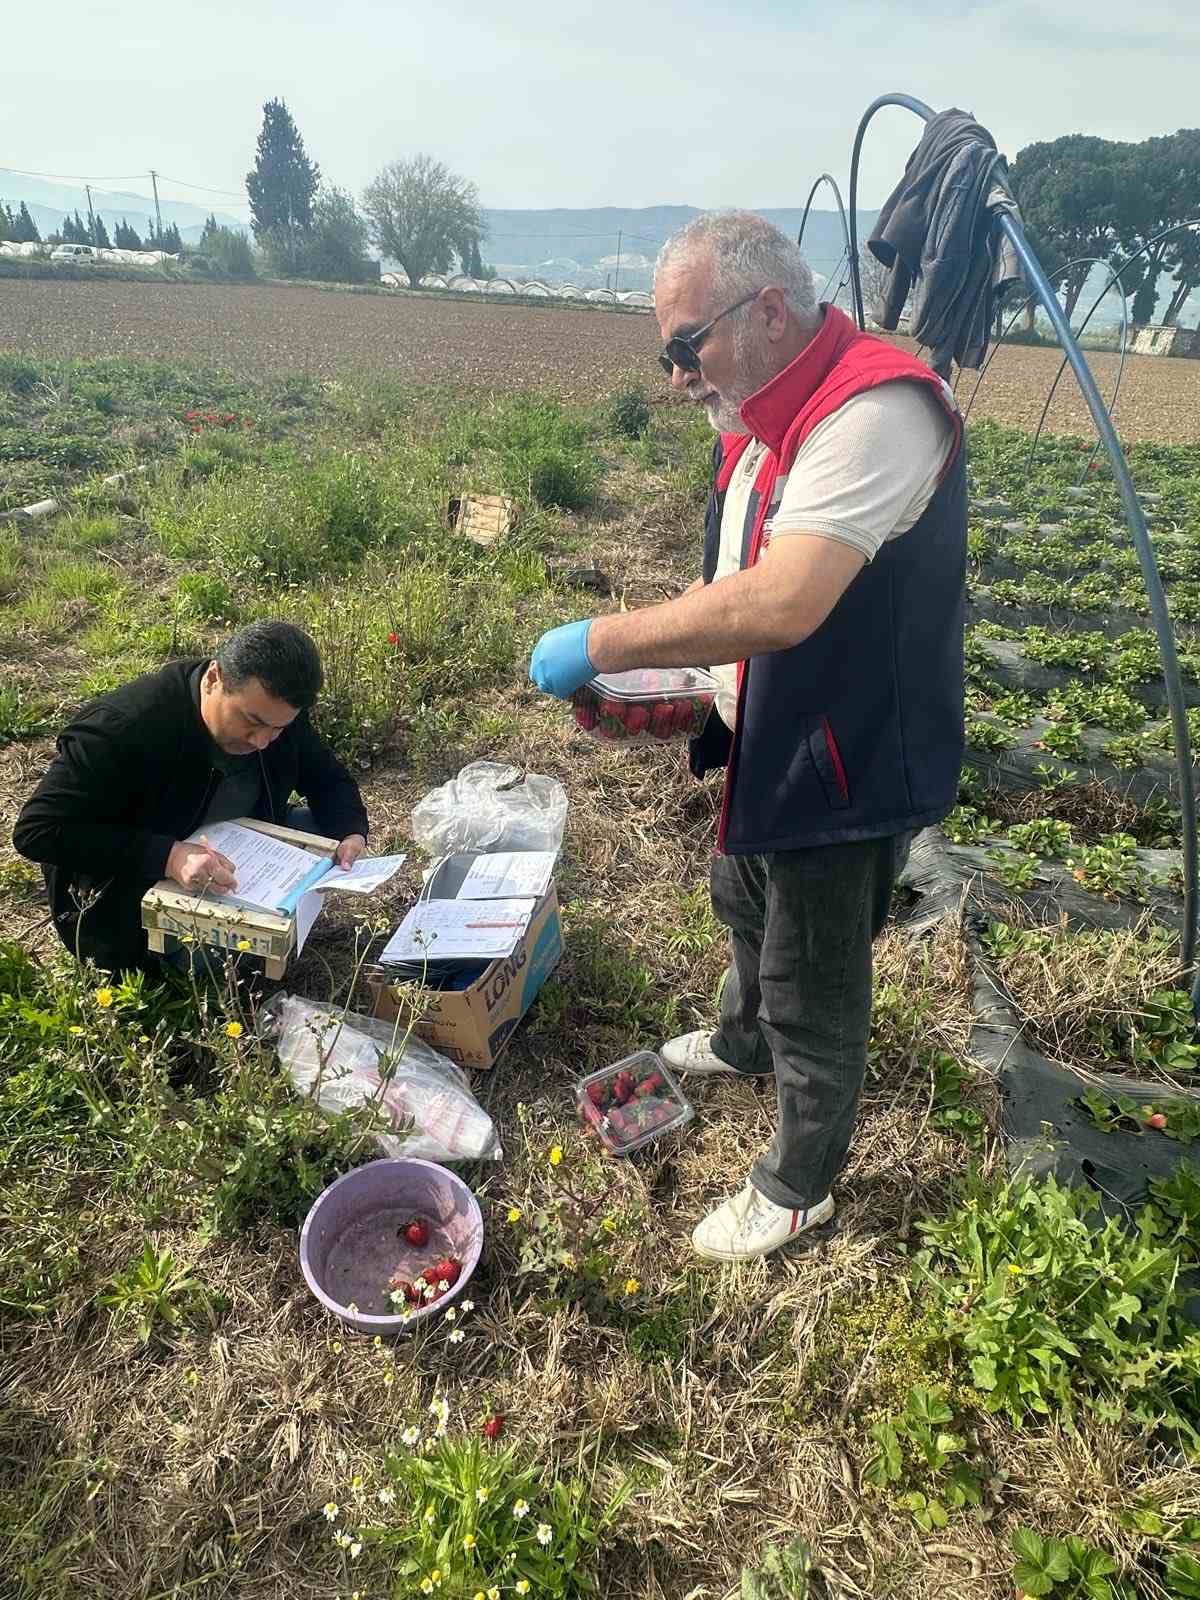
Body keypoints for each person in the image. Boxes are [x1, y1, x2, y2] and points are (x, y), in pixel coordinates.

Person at [528, 211, 966, 1263]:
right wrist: (678, 683)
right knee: (742, 898)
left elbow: (782, 603)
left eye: (688, 346)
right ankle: (741, 1040)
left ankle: (799, 1184)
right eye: (668, 353)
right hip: (773, 733)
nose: (677, 377)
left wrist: (603, 637)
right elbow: (731, 587)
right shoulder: (763, 419)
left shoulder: (876, 410)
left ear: (768, 309)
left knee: (814, 980)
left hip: (847, 756)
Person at [14, 620, 369, 977]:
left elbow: (328, 779)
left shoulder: (276, 713)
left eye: (278, 729)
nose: (261, 741)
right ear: (215, 678)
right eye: (251, 722)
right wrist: (168, 857)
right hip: (130, 888)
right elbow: (37, 830)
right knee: (216, 964)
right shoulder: (123, 727)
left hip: (236, 851)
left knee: (326, 832)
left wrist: (352, 831)